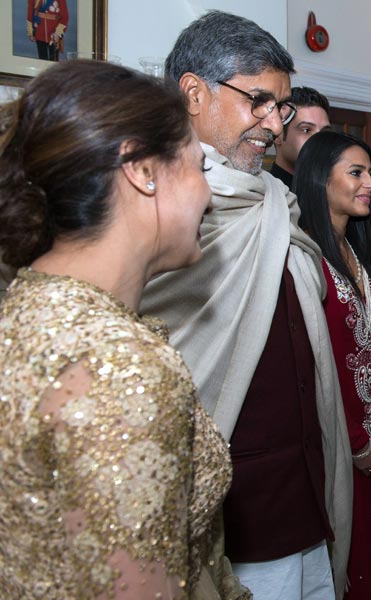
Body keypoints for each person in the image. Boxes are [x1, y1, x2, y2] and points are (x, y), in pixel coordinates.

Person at [0, 60, 248, 599]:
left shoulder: (22, 312)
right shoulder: (120, 368)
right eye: (198, 167)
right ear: (141, 169)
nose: (209, 194)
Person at [140, 11, 351, 600]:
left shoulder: (274, 203)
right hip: (232, 521)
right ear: (192, 93)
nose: (273, 124)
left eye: (281, 107)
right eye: (258, 101)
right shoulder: (149, 205)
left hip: (306, 495)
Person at [293, 130, 371, 599]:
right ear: (321, 181)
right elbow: (322, 363)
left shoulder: (358, 254)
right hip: (336, 444)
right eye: (356, 173)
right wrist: (357, 444)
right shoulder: (304, 259)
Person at [271, 86, 332, 188]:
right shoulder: (265, 197)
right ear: (278, 136)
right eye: (306, 130)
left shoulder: (330, 192)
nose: (319, 140)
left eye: (324, 132)